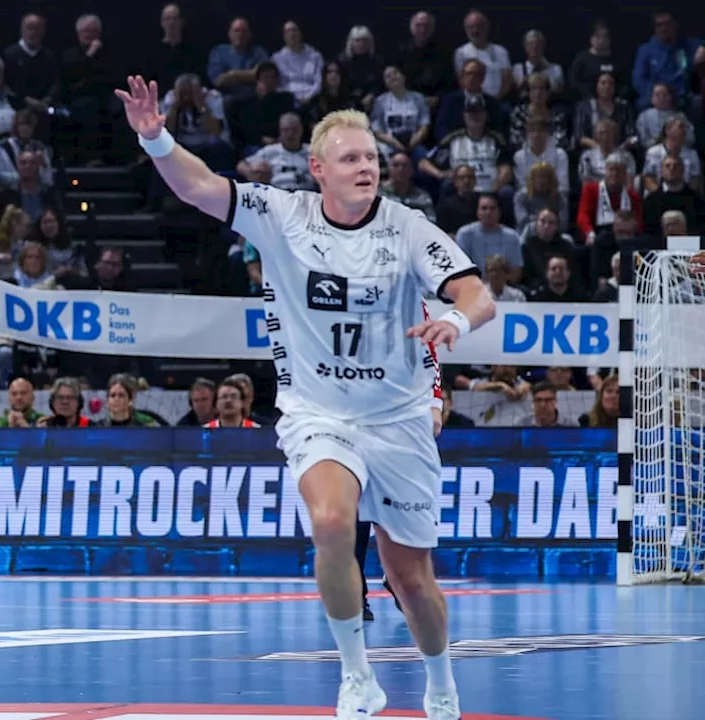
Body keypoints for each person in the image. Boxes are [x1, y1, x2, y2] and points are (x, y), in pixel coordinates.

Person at [115, 76, 496, 719]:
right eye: (351, 159)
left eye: (372, 158)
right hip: (319, 412)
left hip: (399, 417)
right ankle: (356, 678)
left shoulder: (407, 228)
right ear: (318, 169)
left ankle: (441, 684)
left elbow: (475, 293)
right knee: (329, 521)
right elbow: (199, 186)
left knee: (412, 580)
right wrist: (156, 139)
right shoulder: (281, 215)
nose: (366, 168)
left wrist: (456, 322)